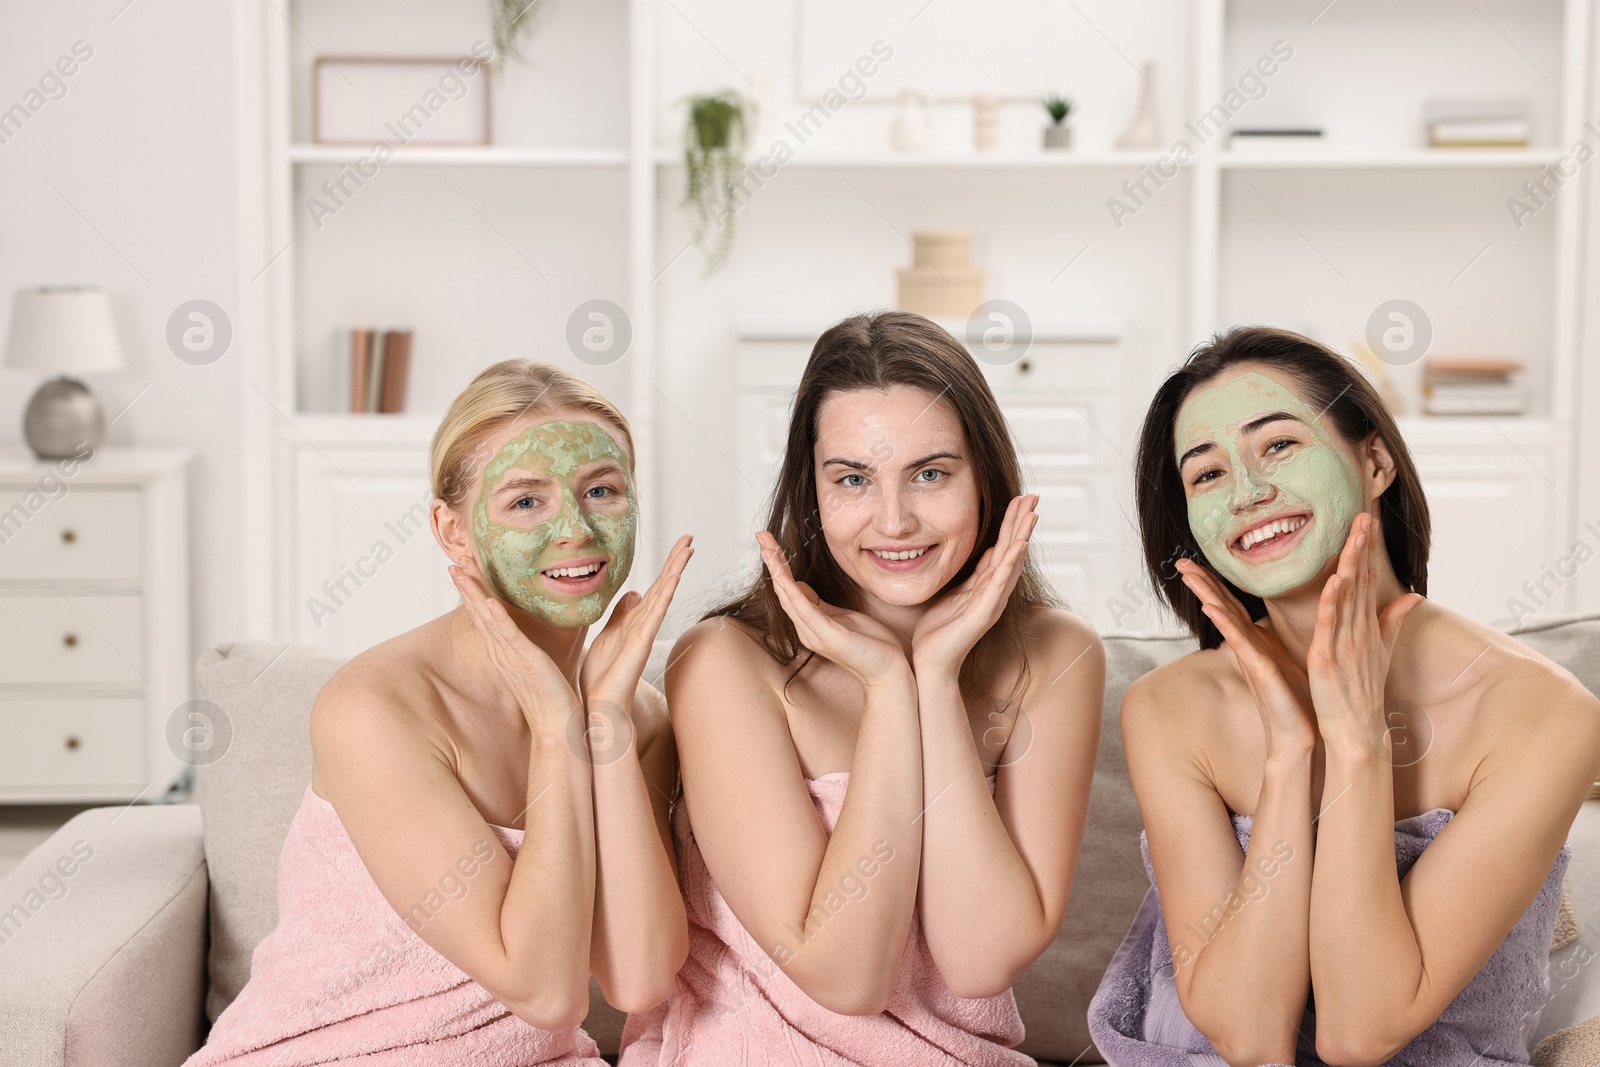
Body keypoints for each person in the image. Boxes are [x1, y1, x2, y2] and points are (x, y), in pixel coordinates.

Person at [1088, 326, 1600, 1067]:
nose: (1248, 491)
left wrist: (1356, 740)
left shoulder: (1543, 712)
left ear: (1376, 459)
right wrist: (1291, 752)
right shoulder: (1169, 707)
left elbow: (1360, 1032)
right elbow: (1247, 1033)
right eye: (1206, 474)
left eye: (1279, 445)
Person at [620, 310, 1105, 1066]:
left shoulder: (1055, 653)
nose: (894, 518)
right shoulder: (724, 662)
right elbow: (847, 976)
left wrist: (935, 679)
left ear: (986, 477)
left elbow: (979, 960)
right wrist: (887, 686)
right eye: (852, 478)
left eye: (931, 473)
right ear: (811, 492)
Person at [185, 360, 692, 1065]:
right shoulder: (374, 708)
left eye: (600, 490)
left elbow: (639, 977)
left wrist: (598, 718)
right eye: (526, 502)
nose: (574, 528)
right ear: (452, 531)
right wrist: (555, 729)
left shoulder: (635, 716)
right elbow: (545, 994)